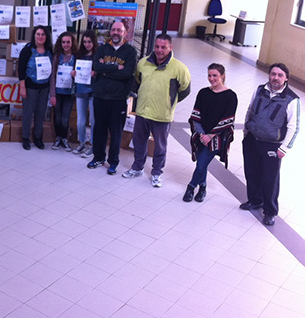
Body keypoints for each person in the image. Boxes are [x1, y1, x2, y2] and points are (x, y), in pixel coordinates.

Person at [121, 33, 191, 187]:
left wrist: (170, 102)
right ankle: (137, 167)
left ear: (170, 47)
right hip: (143, 112)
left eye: (163, 47)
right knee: (139, 142)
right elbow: (137, 81)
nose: (159, 50)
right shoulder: (143, 63)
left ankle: (156, 173)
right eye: (157, 46)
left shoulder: (179, 69)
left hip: (162, 115)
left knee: (160, 146)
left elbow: (185, 90)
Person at [240, 63, 300, 226]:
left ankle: (270, 211)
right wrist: (246, 132)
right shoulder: (259, 90)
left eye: (280, 75)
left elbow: (294, 127)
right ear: (269, 75)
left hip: (272, 145)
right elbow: (250, 111)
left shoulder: (292, 99)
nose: (276, 78)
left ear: (286, 78)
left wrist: (284, 148)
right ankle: (254, 200)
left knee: (270, 179)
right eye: (273, 74)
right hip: (252, 139)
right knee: (251, 172)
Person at [87, 21, 137, 173]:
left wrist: (105, 71)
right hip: (100, 96)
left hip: (118, 98)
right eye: (113, 30)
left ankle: (113, 161)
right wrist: (116, 68)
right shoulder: (102, 49)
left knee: (116, 132)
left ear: (125, 33)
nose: (116, 33)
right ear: (110, 32)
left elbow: (127, 73)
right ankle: (98, 157)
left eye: (119, 30)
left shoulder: (130, 51)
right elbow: (97, 66)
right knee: (99, 129)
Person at [184, 63, 237, 202]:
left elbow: (228, 120)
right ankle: (203, 187)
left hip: (218, 138)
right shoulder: (203, 92)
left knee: (201, 164)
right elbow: (196, 114)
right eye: (209, 75)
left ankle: (191, 187)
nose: (211, 78)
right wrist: (201, 134)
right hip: (201, 135)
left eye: (215, 75)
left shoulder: (231, 96)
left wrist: (210, 136)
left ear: (222, 76)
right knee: (202, 163)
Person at [18, 25, 53, 150]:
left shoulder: (49, 50)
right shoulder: (27, 50)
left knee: (40, 114)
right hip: (30, 87)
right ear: (34, 35)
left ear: (46, 36)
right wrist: (22, 87)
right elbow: (21, 69)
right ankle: (25, 138)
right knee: (28, 113)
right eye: (38, 34)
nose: (40, 37)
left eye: (43, 34)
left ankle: (38, 138)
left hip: (44, 88)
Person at [49, 31, 78, 151]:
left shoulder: (76, 57)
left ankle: (64, 139)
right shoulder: (57, 56)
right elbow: (52, 76)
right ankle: (58, 138)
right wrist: (53, 94)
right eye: (63, 42)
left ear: (72, 43)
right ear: (60, 43)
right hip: (58, 92)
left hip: (69, 93)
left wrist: (76, 74)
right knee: (57, 117)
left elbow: (80, 74)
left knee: (65, 118)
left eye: (68, 42)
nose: (66, 44)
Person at [73, 30, 98, 158]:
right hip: (81, 90)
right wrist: (74, 74)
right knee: (80, 121)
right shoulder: (79, 55)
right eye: (84, 42)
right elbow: (74, 70)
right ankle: (82, 142)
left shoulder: (98, 56)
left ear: (94, 42)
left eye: (89, 42)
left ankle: (93, 145)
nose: (87, 44)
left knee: (93, 120)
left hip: (93, 91)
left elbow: (102, 73)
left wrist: (96, 73)